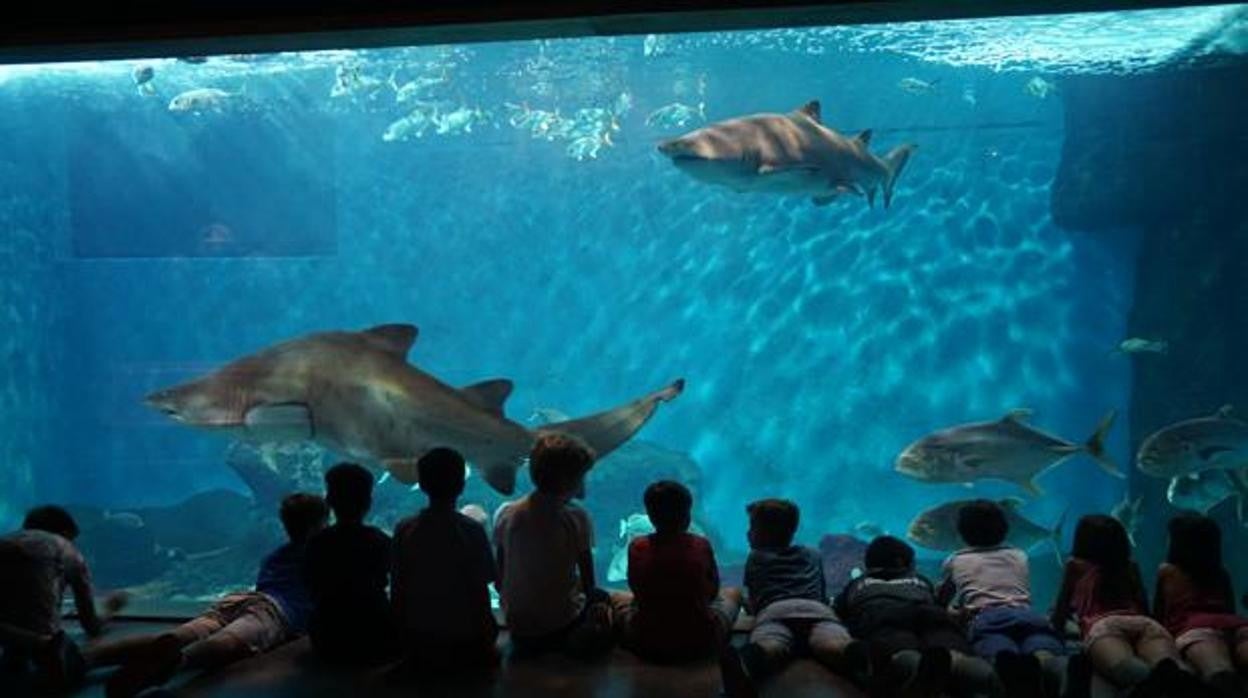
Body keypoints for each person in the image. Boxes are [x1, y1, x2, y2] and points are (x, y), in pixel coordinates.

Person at [93, 493, 328, 698]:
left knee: (192, 630)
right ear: (319, 524)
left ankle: (97, 656)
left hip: (240, 598)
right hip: (273, 610)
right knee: (229, 640)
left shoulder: (276, 555)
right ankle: (178, 663)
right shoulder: (322, 554)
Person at [719, 498, 866, 698]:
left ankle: (745, 663)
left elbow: (755, 599)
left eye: (752, 527)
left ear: (761, 533)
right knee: (833, 642)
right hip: (817, 611)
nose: (747, 533)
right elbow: (821, 592)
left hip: (775, 612)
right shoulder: (813, 554)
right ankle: (863, 657)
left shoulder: (757, 557)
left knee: (770, 644)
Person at [1051, 514, 1200, 696]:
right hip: (1145, 624)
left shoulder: (1075, 565)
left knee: (1125, 668)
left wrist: (1058, 632)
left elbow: (1061, 610)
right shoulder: (1130, 566)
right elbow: (1144, 606)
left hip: (1104, 625)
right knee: (1171, 666)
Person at [494, 432, 613, 657]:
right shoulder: (577, 517)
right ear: (572, 481)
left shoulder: (506, 513)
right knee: (606, 600)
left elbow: (499, 575)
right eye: (582, 477)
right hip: (561, 624)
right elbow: (589, 583)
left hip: (516, 624)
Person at [837, 536, 997, 698]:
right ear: (901, 563)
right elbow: (937, 602)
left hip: (882, 613)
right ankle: (985, 676)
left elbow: (841, 612)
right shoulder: (920, 580)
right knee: (947, 644)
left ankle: (913, 667)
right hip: (927, 610)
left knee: (900, 648)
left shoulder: (858, 583)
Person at [936, 500, 1066, 697]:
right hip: (1027, 614)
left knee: (999, 652)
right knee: (1041, 646)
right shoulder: (1019, 555)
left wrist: (955, 613)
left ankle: (1007, 676)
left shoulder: (955, 560)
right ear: (1006, 530)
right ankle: (1054, 667)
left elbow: (941, 602)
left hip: (987, 618)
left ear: (961, 533)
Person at [392, 448, 499, 672]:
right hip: (465, 637)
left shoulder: (404, 529)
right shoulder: (472, 530)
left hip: (418, 636)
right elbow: (482, 587)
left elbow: (398, 586)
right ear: (462, 485)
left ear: (420, 484)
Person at [611, 480, 742, 663]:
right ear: (688, 516)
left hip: (644, 640)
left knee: (617, 596)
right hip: (702, 640)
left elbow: (636, 591)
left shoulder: (637, 546)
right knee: (734, 593)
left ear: (649, 516)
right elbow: (712, 592)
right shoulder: (701, 544)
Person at [0, 505, 127, 691]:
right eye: (72, 539)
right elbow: (91, 625)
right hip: (43, 646)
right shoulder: (67, 549)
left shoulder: (5, 541)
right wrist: (111, 608)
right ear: (65, 533)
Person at [304, 462, 396, 665]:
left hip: (328, 635)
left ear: (328, 500)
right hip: (375, 631)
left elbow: (309, 585)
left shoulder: (317, 542)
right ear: (369, 502)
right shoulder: (379, 539)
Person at [1153, 512, 1248, 697]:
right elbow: (1230, 608)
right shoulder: (1221, 572)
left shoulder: (1166, 570)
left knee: (1219, 673)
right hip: (1236, 625)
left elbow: (1159, 615)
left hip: (1195, 630)